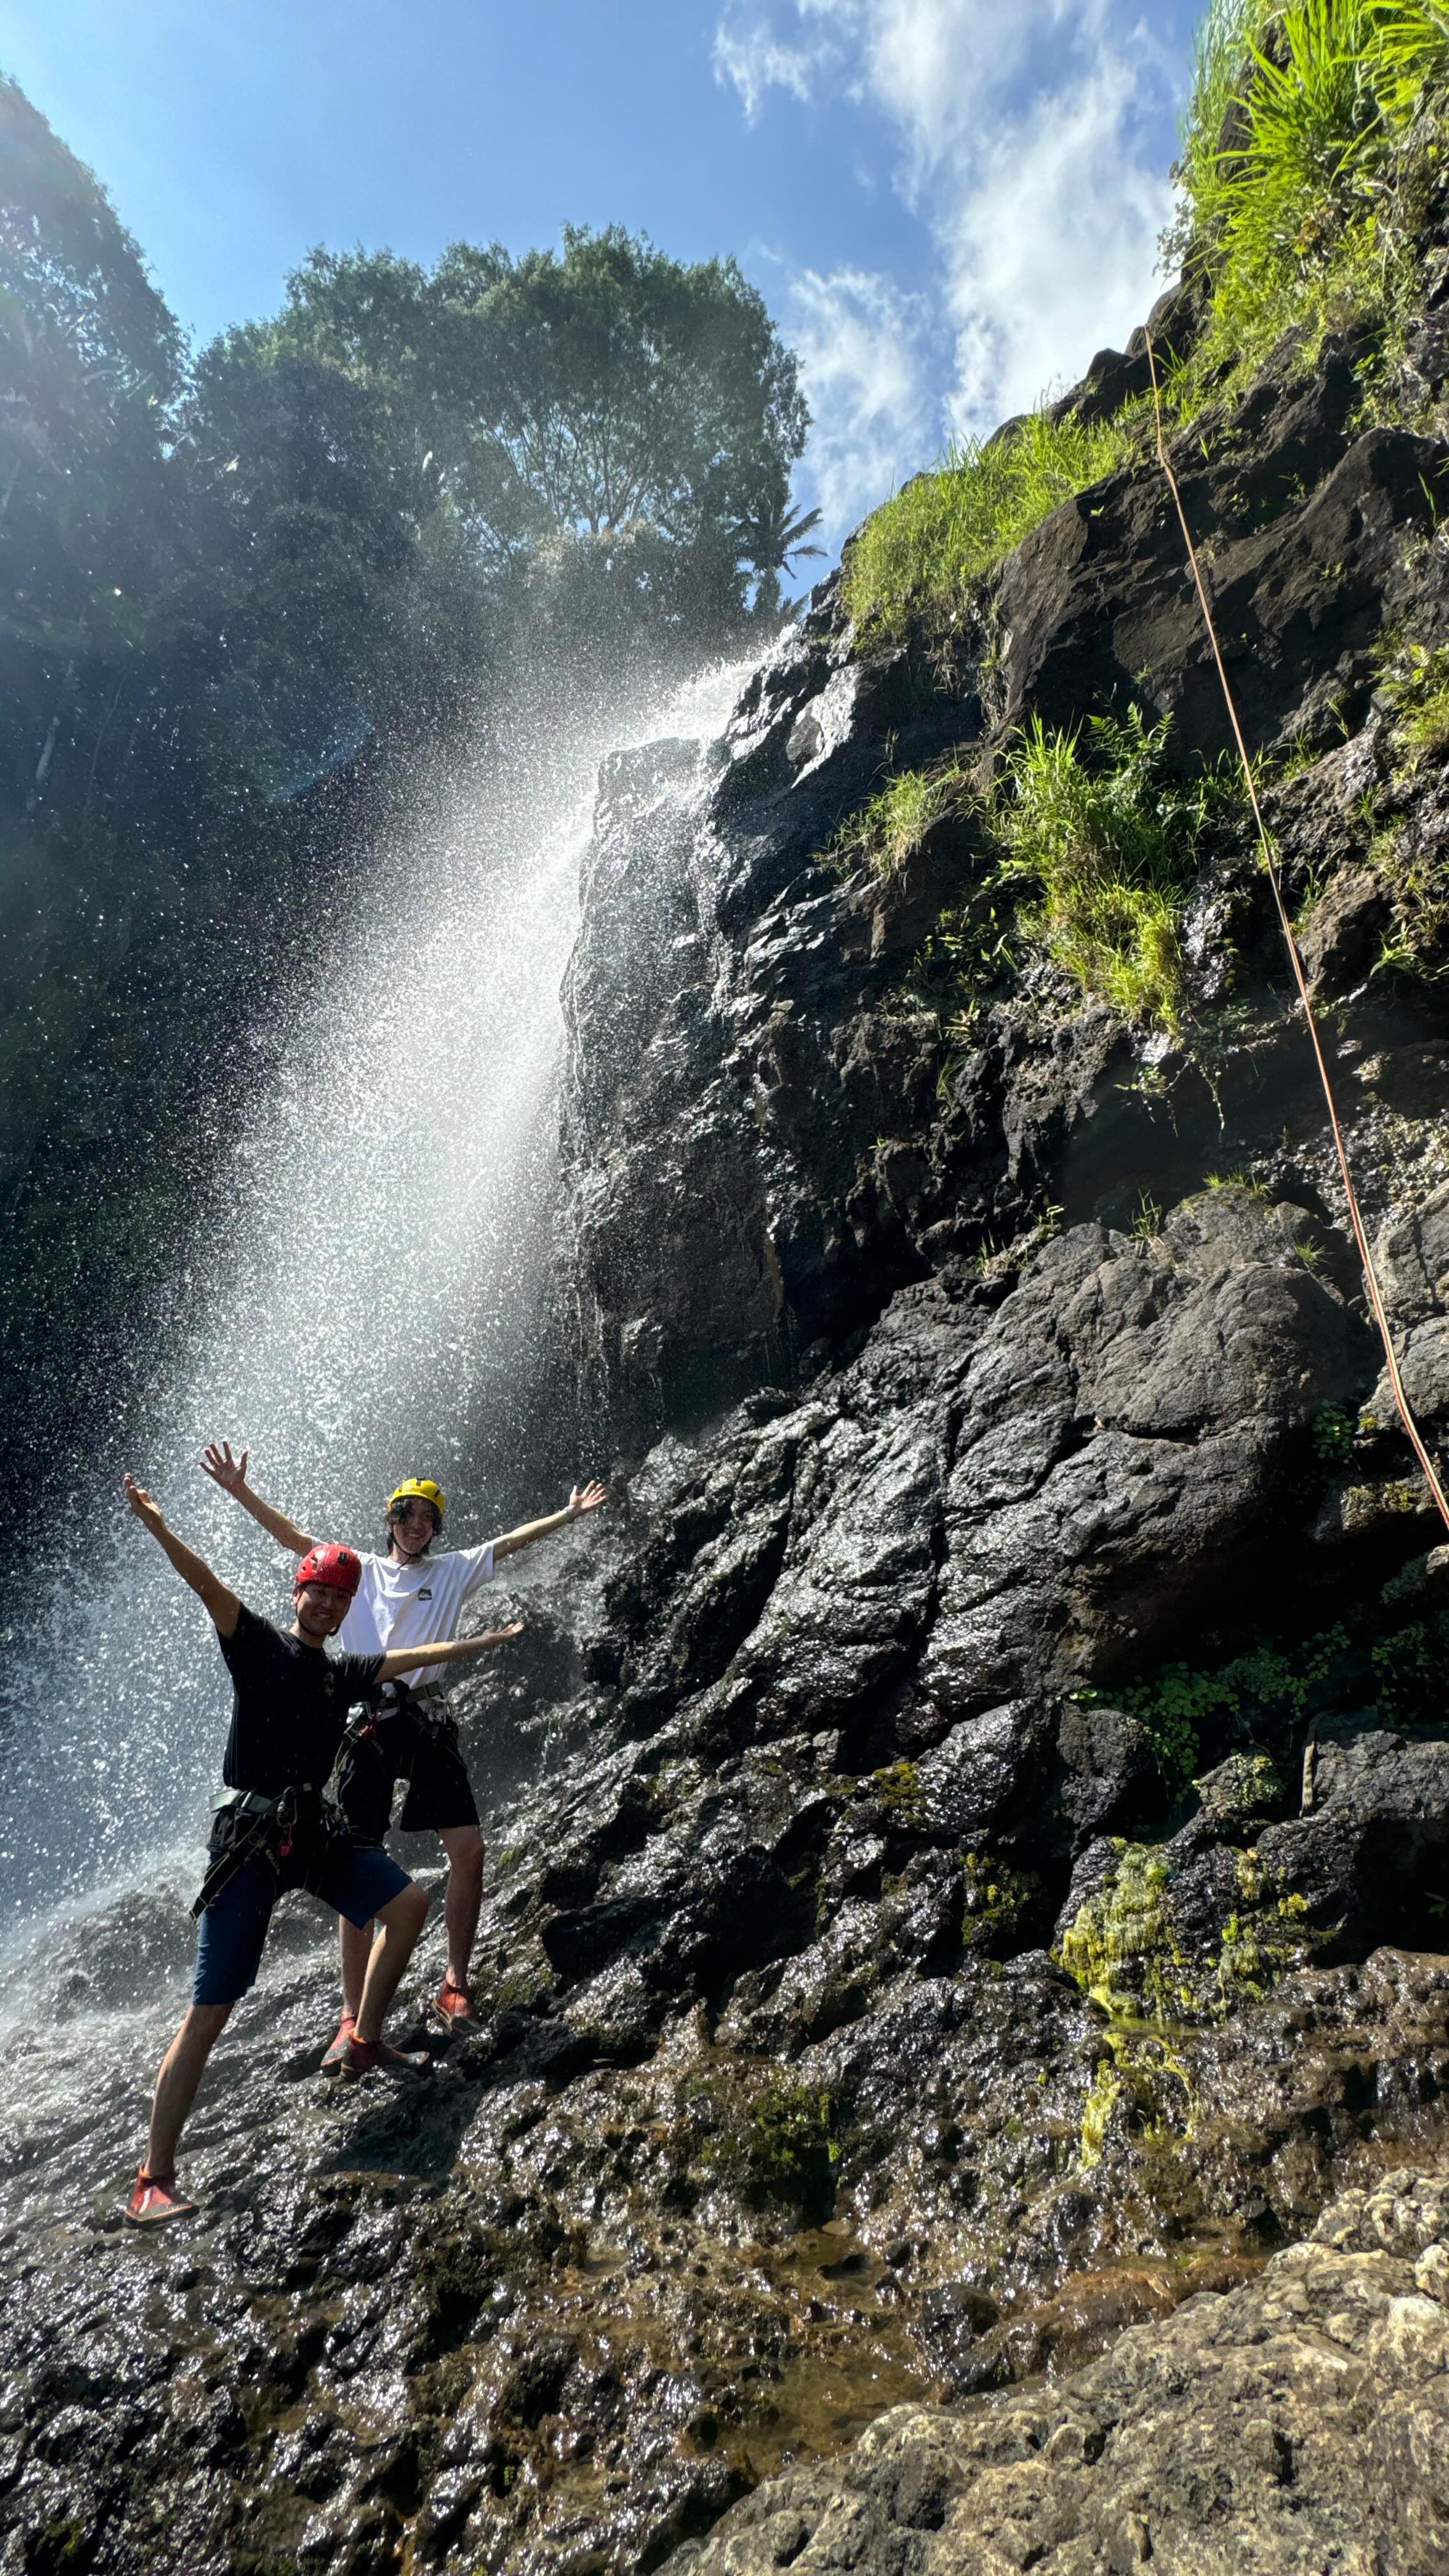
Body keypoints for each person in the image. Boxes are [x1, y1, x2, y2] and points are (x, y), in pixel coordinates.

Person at [121, 1473, 522, 2227]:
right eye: (319, 1593)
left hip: (310, 1833)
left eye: (341, 1598)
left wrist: (487, 1641)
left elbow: (413, 1657)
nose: (329, 1605)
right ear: (298, 1593)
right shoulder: (256, 1645)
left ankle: (363, 2039)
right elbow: (207, 1584)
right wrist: (159, 1528)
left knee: (408, 1903)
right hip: (249, 1841)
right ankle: (153, 2178)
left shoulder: (342, 1674)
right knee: (211, 2010)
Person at [199, 1446, 605, 2050]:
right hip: (365, 1723)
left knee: (469, 1849)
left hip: (426, 1719)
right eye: (406, 1515)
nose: (416, 1526)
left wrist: (568, 1515)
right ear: (389, 1520)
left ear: (437, 1529)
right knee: (358, 1864)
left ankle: (455, 1984)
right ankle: (351, 2016)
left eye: (427, 1519)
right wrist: (239, 1491)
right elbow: (295, 1539)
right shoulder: (358, 1571)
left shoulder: (453, 1570)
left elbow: (511, 1542)